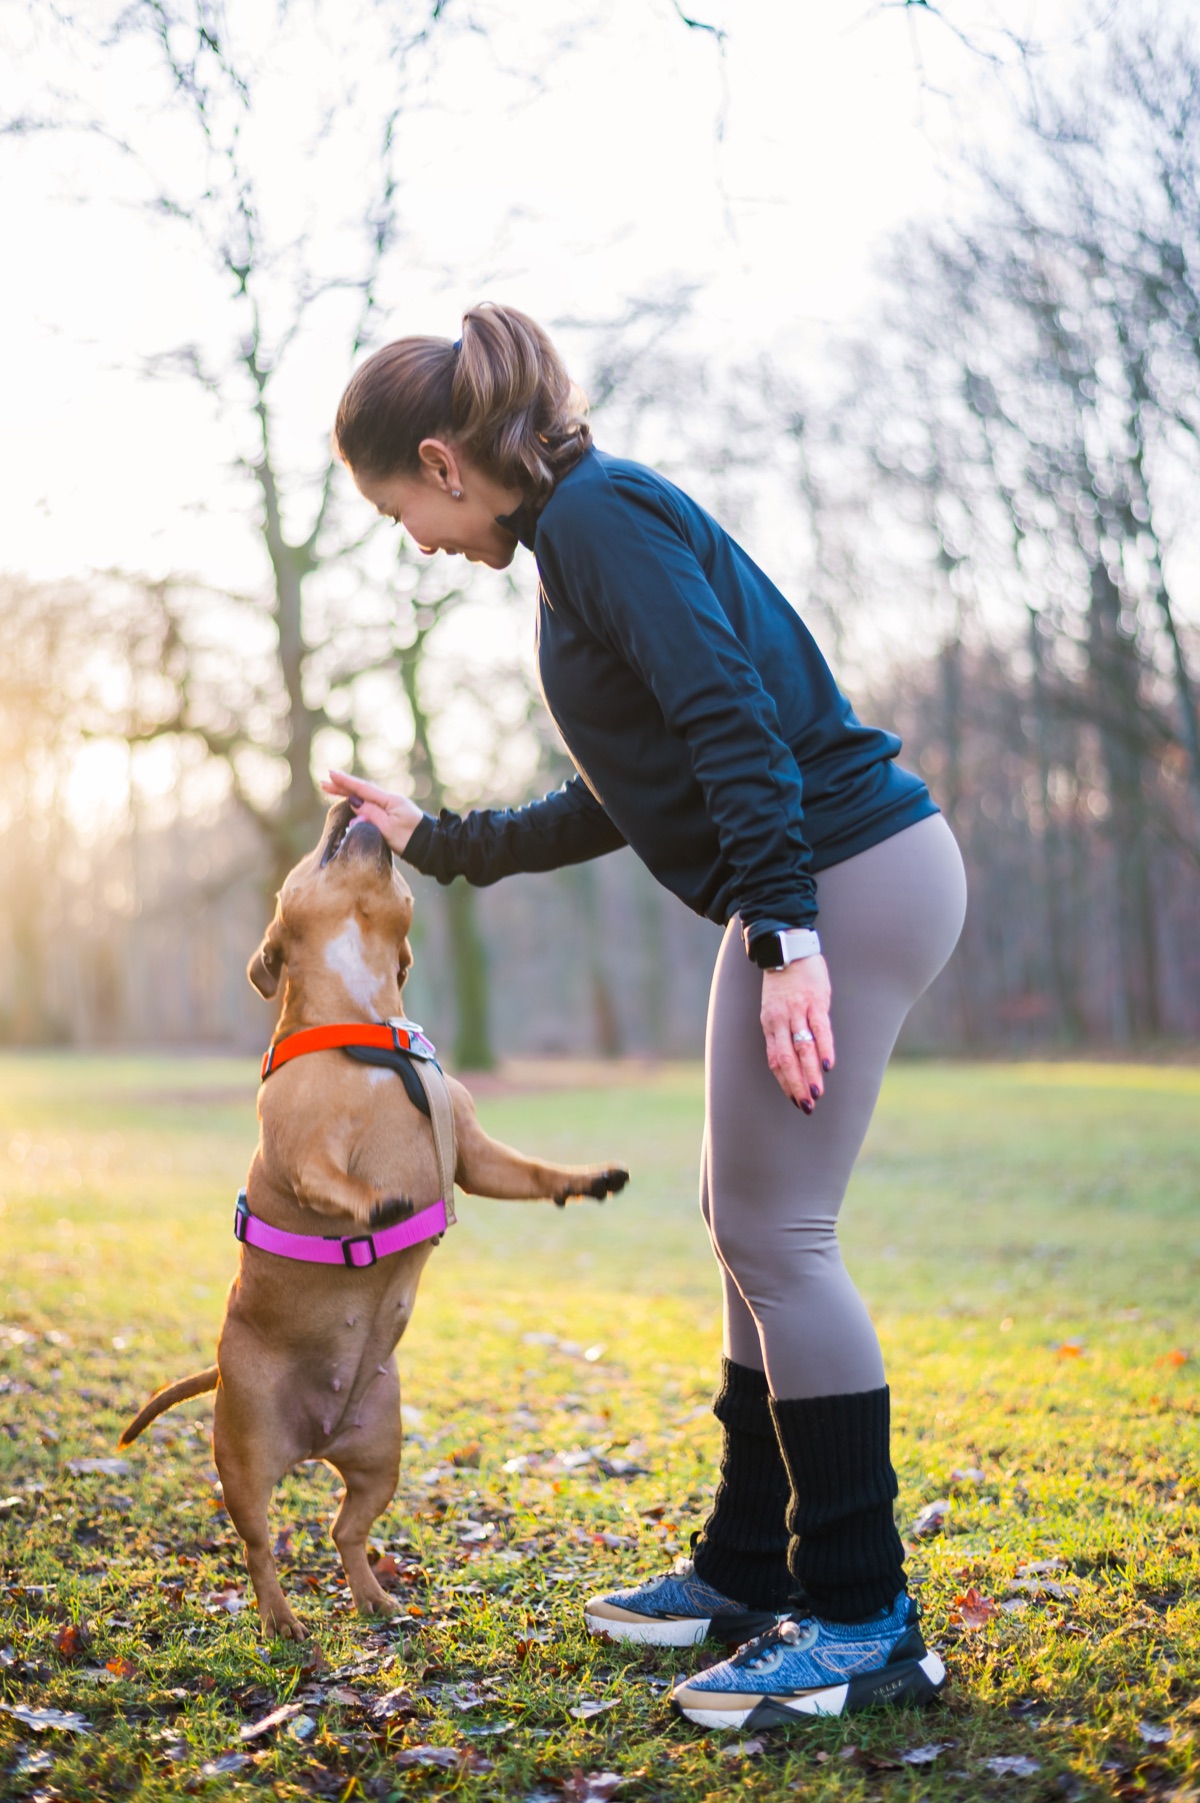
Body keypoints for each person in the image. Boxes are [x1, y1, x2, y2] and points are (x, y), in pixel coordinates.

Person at [324, 302, 967, 1729]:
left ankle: (863, 1616)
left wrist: (790, 933)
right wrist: (440, 836)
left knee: (781, 1237)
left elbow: (735, 723)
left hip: (842, 876)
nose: (416, 541)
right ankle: (750, 1569)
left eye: (398, 510)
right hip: (814, 880)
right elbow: (630, 787)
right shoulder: (579, 540)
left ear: (442, 460)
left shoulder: (600, 523)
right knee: (745, 1225)